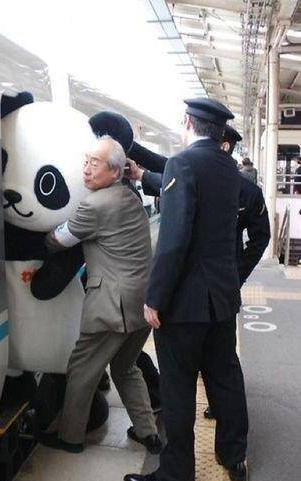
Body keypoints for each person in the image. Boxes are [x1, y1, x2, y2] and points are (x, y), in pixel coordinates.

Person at [125, 98, 248, 481]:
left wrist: (155, 298)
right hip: (221, 300)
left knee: (178, 390)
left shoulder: (183, 163)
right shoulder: (229, 169)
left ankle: (177, 473)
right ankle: (233, 457)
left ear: (188, 123)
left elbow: (174, 240)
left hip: (184, 306)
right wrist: (143, 175)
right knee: (225, 380)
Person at [127, 125, 270, 422]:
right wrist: (236, 275)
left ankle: (180, 452)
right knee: (223, 371)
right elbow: (261, 237)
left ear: (224, 146)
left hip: (184, 296)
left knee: (180, 381)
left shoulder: (191, 170)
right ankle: (231, 442)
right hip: (222, 291)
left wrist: (155, 298)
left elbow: (174, 244)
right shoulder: (243, 187)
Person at [39, 136, 161, 454]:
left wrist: (42, 235)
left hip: (111, 306)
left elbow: (58, 241)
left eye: (95, 163)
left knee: (82, 369)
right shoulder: (130, 196)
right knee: (126, 368)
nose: (86, 169)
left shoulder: (94, 205)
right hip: (142, 303)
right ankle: (148, 433)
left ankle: (70, 438)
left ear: (116, 171)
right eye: (86, 161)